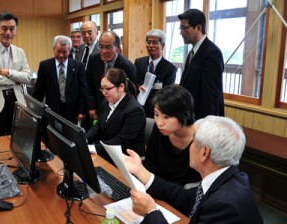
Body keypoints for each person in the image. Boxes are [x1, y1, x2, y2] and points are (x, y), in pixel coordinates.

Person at [125, 116, 264, 224]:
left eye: (194, 142)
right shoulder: (227, 176)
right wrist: (140, 171)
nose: (189, 148)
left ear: (204, 152)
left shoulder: (224, 205)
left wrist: (150, 211)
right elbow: (183, 197)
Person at [143, 85, 200, 187]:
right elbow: (150, 163)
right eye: (156, 114)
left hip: (180, 197)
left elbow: (189, 185)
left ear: (184, 114)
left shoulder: (201, 140)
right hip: (154, 188)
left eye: (166, 117)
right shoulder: (161, 129)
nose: (159, 122)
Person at [86, 68, 145, 164]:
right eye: (102, 88)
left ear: (121, 87)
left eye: (107, 88)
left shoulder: (135, 111)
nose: (104, 92)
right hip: (109, 154)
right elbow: (98, 126)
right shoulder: (106, 102)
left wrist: (92, 148)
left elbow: (121, 141)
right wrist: (85, 139)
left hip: (126, 159)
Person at [0, 12, 31, 137]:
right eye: (4, 28)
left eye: (12, 29)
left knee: (17, 139)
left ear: (16, 30)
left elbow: (27, 77)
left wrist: (9, 72)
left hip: (16, 101)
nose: (8, 33)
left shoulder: (19, 51)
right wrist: (14, 80)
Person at [178, 9, 224, 120]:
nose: (181, 32)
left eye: (184, 28)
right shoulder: (193, 52)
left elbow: (210, 98)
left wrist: (200, 127)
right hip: (190, 117)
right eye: (180, 28)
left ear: (198, 28)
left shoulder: (212, 53)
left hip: (203, 122)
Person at [33, 35, 88, 125]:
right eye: (58, 51)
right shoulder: (45, 66)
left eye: (64, 52)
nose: (61, 55)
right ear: (53, 49)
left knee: (69, 137)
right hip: (51, 110)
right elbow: (39, 90)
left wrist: (81, 110)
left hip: (72, 111)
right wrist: (35, 109)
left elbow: (83, 90)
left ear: (69, 51)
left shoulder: (78, 66)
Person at [86, 31, 137, 120]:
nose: (103, 51)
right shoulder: (93, 59)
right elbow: (89, 85)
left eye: (108, 47)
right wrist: (92, 106)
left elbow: (130, 95)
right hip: (97, 108)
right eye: (101, 47)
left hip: (118, 111)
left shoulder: (128, 67)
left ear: (117, 48)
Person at [134, 29, 177, 118]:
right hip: (137, 108)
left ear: (163, 45)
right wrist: (138, 87)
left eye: (154, 42)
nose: (150, 46)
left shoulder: (170, 69)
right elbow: (134, 82)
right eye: (148, 42)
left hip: (156, 111)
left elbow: (166, 93)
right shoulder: (139, 62)